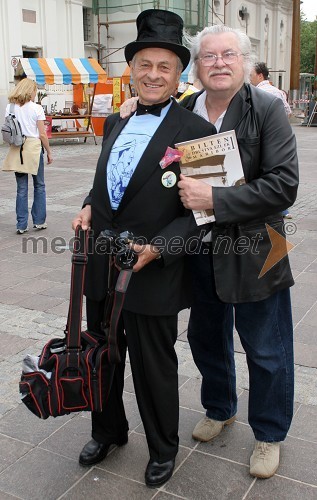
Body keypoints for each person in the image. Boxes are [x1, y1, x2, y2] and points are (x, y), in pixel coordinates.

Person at [72, 9, 216, 488]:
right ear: (131, 70)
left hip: (154, 268)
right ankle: (108, 430)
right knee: (102, 352)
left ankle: (162, 448)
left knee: (154, 365)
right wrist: (92, 204)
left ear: (179, 75)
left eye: (165, 67)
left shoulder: (198, 133)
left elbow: (206, 213)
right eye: (144, 65)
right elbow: (113, 180)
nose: (153, 75)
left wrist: (158, 248)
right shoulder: (115, 119)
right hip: (101, 263)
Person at [176, 25, 298, 479]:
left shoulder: (266, 108)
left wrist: (217, 200)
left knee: (266, 348)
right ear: (197, 65)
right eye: (209, 56)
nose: (219, 63)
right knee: (205, 337)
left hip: (259, 246)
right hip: (202, 247)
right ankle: (220, 406)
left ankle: (269, 434)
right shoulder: (185, 109)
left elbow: (284, 185)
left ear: (245, 61)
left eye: (229, 54)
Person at [2, 78, 53, 234]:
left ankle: (21, 224)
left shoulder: (9, 107)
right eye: (34, 91)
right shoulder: (36, 108)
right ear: (31, 91)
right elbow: (42, 134)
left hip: (17, 148)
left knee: (21, 189)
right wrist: (49, 152)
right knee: (39, 186)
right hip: (34, 149)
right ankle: (39, 221)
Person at [250, 62, 293, 219]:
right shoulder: (278, 92)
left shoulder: (256, 92)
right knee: (277, 172)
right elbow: (288, 112)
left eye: (252, 75)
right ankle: (283, 210)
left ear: (260, 75)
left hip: (258, 140)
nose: (250, 78)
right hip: (280, 138)